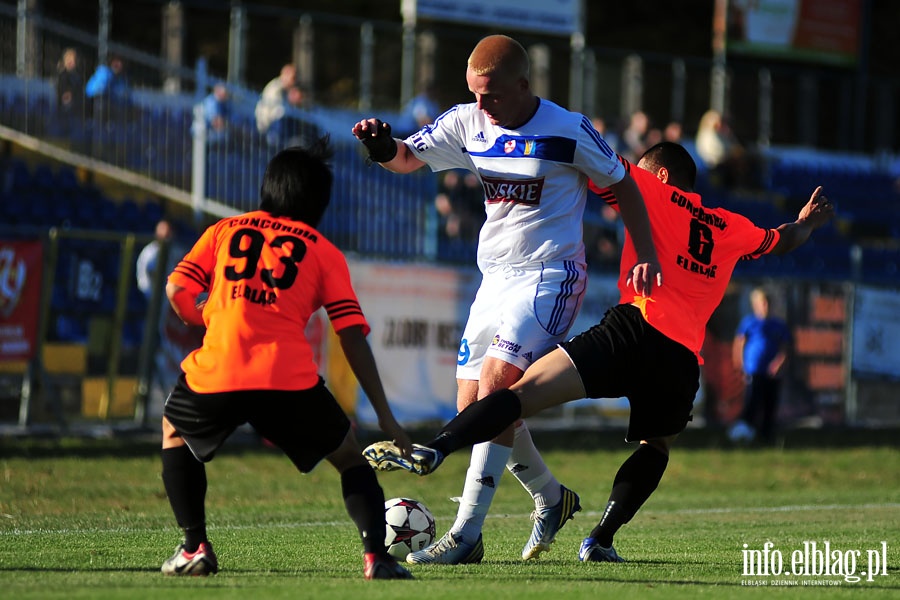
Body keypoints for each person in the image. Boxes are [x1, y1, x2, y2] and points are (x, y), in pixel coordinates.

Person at [363, 141, 834, 564]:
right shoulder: (730, 225)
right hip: (681, 359)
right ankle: (600, 539)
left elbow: (590, 159)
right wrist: (807, 223)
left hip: (633, 331)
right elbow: (784, 239)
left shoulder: (649, 188)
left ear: (661, 175)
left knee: (520, 394)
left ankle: (438, 447)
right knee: (657, 446)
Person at [352, 34, 661, 565]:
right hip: (493, 278)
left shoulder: (569, 129)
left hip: (551, 274)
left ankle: (466, 535)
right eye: (473, 93)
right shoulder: (468, 122)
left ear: (523, 85)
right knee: (471, 407)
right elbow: (407, 159)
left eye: (490, 95)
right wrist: (382, 147)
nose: (481, 105)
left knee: (498, 385)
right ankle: (550, 495)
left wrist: (646, 251)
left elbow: (625, 184)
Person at [158, 136, 414, 580]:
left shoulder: (224, 230)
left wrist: (209, 321)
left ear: (267, 188)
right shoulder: (323, 250)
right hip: (287, 379)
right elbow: (351, 336)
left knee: (174, 432)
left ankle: (194, 547)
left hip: (218, 369)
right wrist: (387, 417)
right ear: (319, 202)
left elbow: (177, 289)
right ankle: (377, 557)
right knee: (351, 459)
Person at [729, 287, 791, 444]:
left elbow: (785, 348)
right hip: (754, 370)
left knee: (770, 402)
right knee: (752, 401)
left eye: (768, 303)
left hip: (772, 372)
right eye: (762, 303)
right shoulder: (749, 323)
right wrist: (740, 364)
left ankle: (767, 435)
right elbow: (739, 344)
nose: (765, 306)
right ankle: (745, 432)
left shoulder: (779, 325)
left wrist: (778, 363)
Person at [255, 63, 297, 137]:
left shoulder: (284, 90)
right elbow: (277, 112)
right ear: (285, 75)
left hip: (272, 125)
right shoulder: (276, 89)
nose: (294, 81)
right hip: (268, 126)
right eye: (293, 78)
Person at [55, 48, 85, 137]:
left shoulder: (78, 77)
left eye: (73, 60)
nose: (71, 62)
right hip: (64, 111)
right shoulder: (62, 76)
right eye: (68, 60)